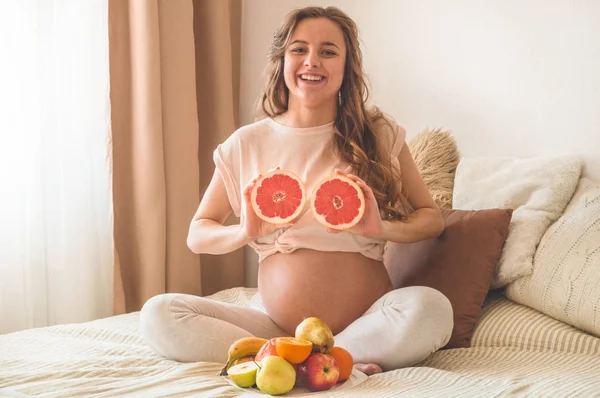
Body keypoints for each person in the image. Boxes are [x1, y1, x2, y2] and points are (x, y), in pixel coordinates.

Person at [140, 6, 453, 375]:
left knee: (432, 309)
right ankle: (320, 364)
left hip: (365, 322)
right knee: (160, 314)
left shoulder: (379, 134)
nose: (312, 61)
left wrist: (378, 228)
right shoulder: (246, 143)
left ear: (346, 65)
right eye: (299, 49)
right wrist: (244, 233)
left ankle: (311, 362)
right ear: (282, 59)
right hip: (277, 330)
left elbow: (430, 219)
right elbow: (198, 233)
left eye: (328, 51)